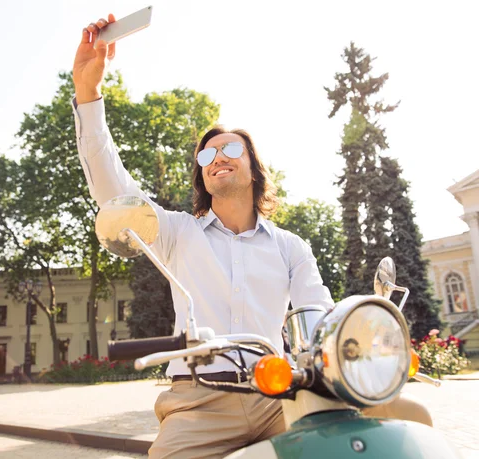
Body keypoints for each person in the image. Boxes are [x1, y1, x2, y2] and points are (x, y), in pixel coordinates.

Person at [72, 14, 432, 459]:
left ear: (254, 167)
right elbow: (115, 193)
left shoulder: (290, 247)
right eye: (207, 153)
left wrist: (354, 343)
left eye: (230, 149)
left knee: (406, 425)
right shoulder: (177, 233)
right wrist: (88, 92)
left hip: (279, 394)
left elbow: (315, 315)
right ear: (203, 176)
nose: (217, 157)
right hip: (198, 400)